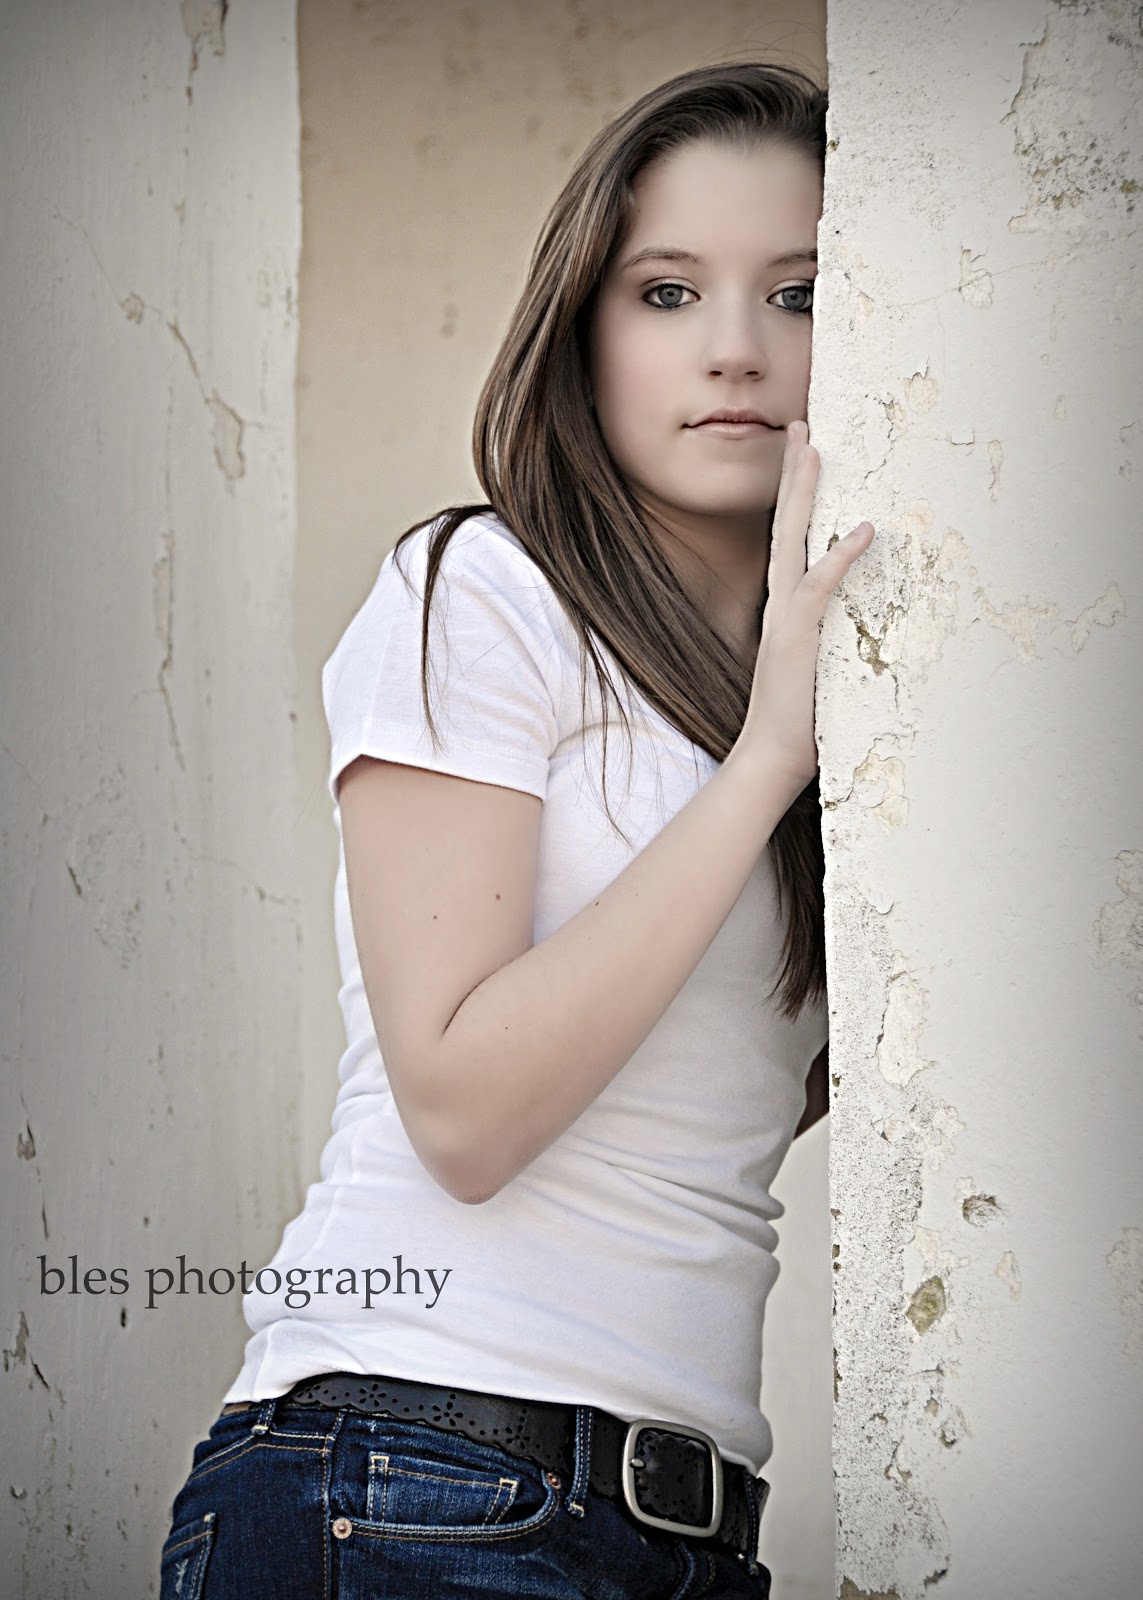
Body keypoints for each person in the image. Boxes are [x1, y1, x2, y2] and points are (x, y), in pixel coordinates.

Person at [159, 59, 875, 1600]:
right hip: (410, 1480)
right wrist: (765, 763)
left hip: (686, 1532)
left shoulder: (829, 699)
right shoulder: (482, 593)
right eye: (668, 291)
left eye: (801, 294)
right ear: (584, 329)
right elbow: (466, 1115)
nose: (738, 348)